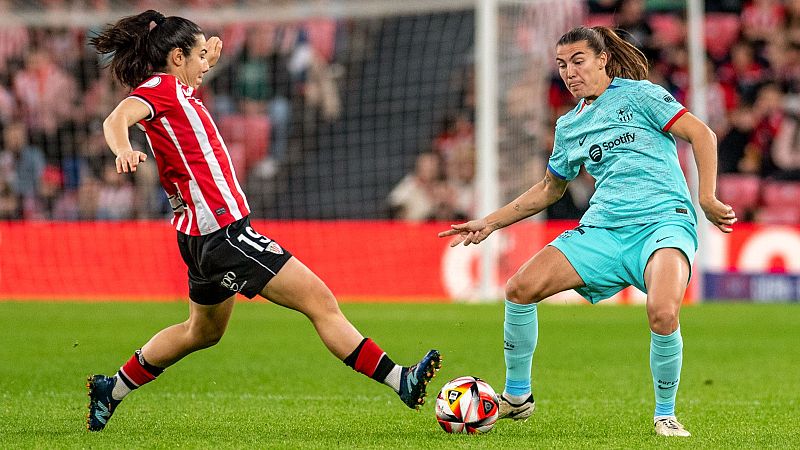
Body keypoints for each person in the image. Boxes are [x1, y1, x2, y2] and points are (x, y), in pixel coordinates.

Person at [85, 10, 441, 432]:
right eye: (197, 56)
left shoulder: (176, 90)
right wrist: (123, 149)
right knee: (320, 302)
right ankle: (401, 380)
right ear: (177, 57)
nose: (205, 64)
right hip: (224, 234)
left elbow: (182, 84)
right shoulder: (160, 88)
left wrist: (206, 56)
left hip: (199, 237)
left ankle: (111, 389)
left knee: (201, 332)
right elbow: (116, 119)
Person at [439, 26, 736, 437]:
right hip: (603, 230)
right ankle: (518, 396)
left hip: (663, 222)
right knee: (520, 288)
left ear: (602, 60)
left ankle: (665, 414)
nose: (570, 72)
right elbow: (549, 189)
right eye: (562, 65)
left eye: (578, 61)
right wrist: (489, 222)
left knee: (663, 312)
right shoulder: (569, 126)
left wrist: (706, 197)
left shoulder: (640, 95)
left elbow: (702, 134)